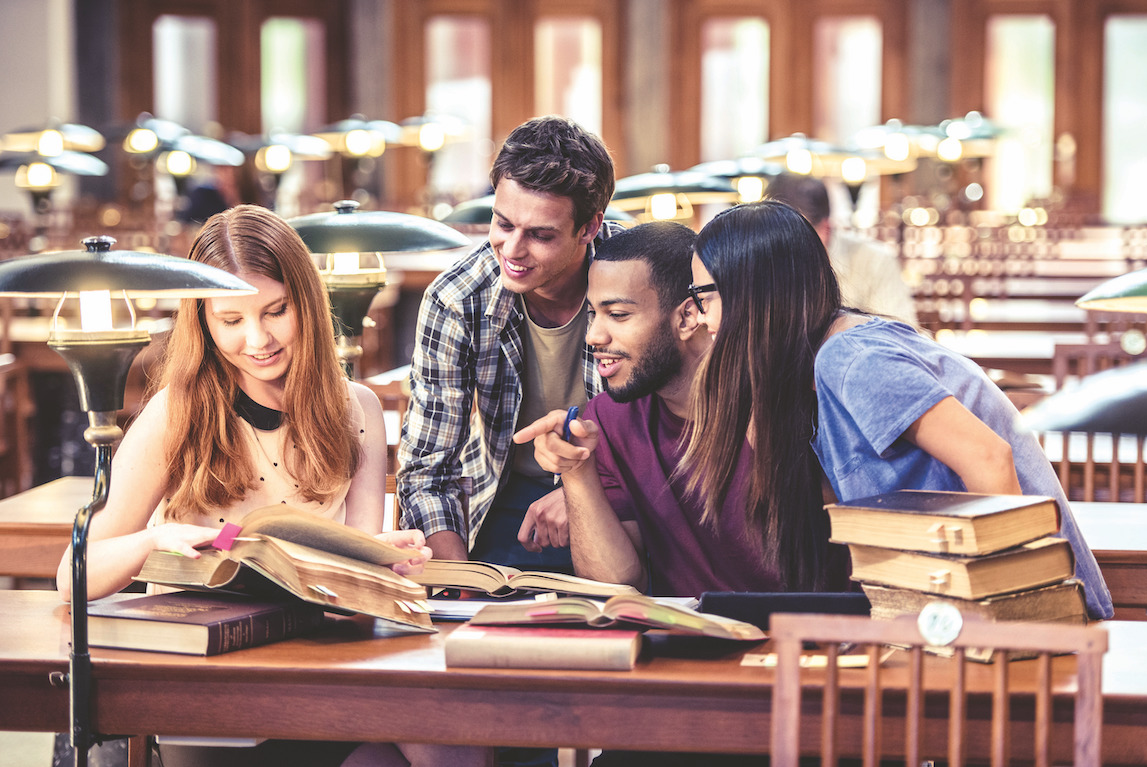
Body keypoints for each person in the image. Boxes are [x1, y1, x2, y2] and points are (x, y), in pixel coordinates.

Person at [55, 204, 487, 767]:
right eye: (230, 321)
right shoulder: (177, 413)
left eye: (276, 311)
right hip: (211, 675)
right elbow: (72, 577)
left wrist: (378, 561)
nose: (257, 339)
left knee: (458, 737)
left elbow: (353, 589)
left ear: (305, 302)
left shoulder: (356, 409)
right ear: (203, 322)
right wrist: (149, 543)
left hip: (322, 664)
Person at [685, 200, 1113, 620]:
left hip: (1033, 619)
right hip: (947, 612)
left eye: (703, 297)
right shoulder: (817, 364)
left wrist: (1020, 616)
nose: (702, 318)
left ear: (751, 290)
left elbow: (988, 458)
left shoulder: (853, 359)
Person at [512, 221, 850, 598]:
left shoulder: (787, 398)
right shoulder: (606, 421)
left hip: (814, 642)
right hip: (689, 644)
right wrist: (576, 472)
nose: (594, 336)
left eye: (618, 315)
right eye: (593, 314)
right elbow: (615, 588)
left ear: (688, 317)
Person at [397, 115, 621, 575]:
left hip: (625, 494)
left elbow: (684, 441)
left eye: (540, 235)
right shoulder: (457, 299)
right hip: (507, 498)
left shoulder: (642, 276)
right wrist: (458, 584)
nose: (512, 250)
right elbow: (427, 472)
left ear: (590, 227)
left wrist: (586, 491)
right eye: (503, 223)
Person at [768, 172, 917, 325]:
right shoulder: (763, 260)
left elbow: (901, 337)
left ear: (825, 229)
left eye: (794, 236)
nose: (783, 248)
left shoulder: (874, 261)